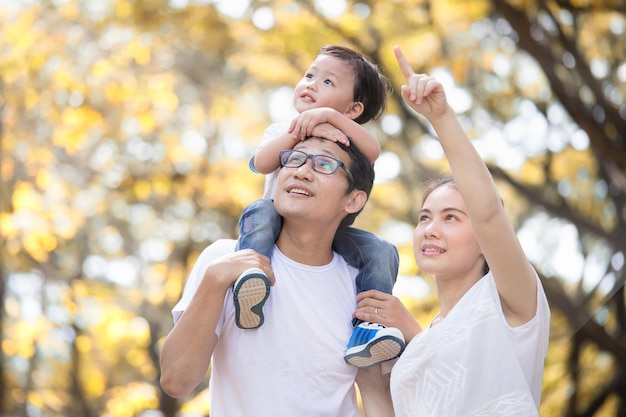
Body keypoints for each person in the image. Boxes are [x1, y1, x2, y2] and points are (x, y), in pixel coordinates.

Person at [352, 46, 551, 416]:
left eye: (451, 218)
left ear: (484, 244)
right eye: (425, 217)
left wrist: (440, 118)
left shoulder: (512, 304)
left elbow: (489, 214)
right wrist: (369, 375)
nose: (430, 229)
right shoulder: (419, 343)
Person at [160, 135, 395, 417]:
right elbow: (176, 380)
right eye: (295, 159)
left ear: (353, 200)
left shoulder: (362, 286)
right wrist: (214, 280)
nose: (302, 171)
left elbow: (375, 392)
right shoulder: (226, 261)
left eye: (324, 164)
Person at [233, 45, 404, 367]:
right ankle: (250, 279)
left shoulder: (349, 140)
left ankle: (369, 327)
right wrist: (303, 130)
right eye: (310, 75)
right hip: (277, 221)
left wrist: (327, 118)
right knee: (260, 210)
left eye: (328, 82)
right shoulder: (282, 130)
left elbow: (373, 149)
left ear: (352, 109)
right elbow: (260, 162)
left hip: (327, 231)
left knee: (381, 250)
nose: (311, 83)